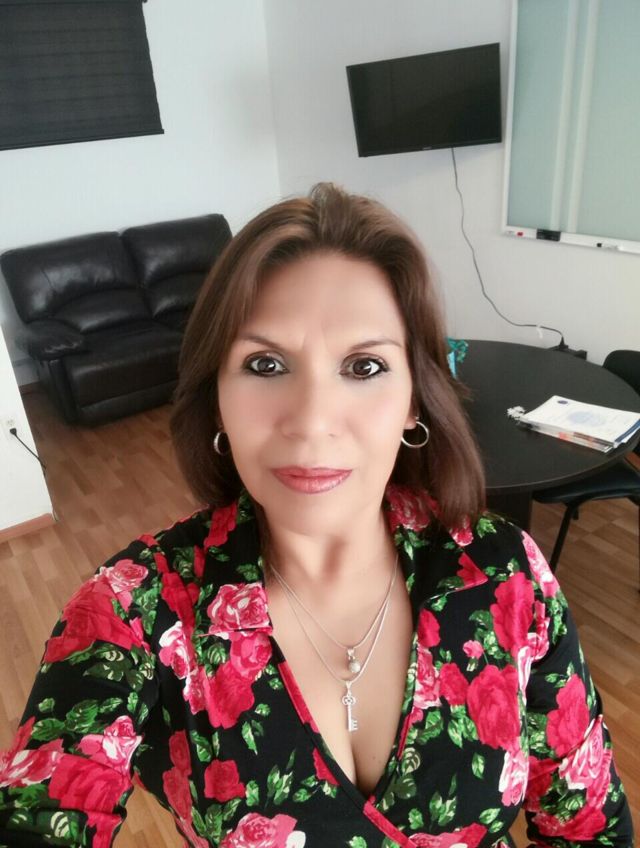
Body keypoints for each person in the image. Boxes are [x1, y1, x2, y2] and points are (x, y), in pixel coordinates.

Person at [0, 184, 633, 848]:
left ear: (414, 401)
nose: (311, 421)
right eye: (265, 363)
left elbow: (589, 827)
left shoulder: (504, 573)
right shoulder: (132, 612)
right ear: (217, 398)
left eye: (364, 365)